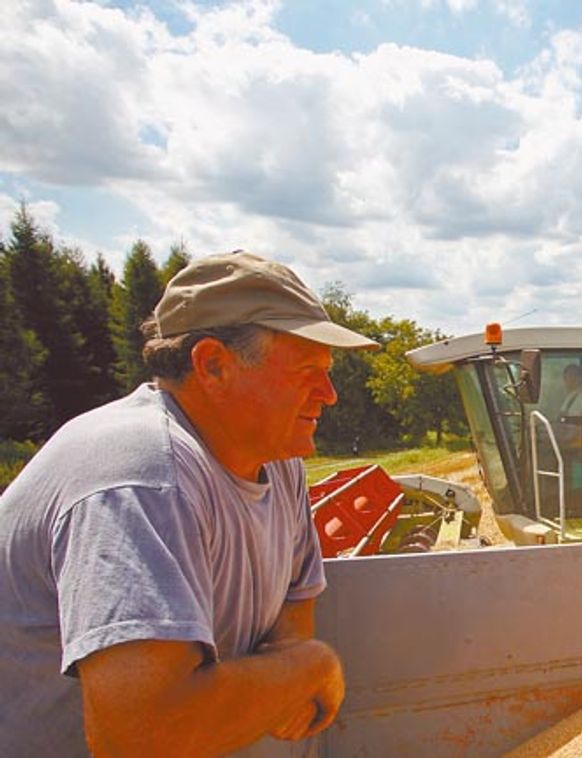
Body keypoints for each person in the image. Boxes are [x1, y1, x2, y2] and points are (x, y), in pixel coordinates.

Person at [0, 250, 379, 756]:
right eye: (308, 369)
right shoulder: (140, 475)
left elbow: (295, 598)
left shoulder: (278, 459)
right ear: (213, 365)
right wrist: (312, 667)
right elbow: (139, 737)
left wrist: (290, 664)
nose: (329, 394)